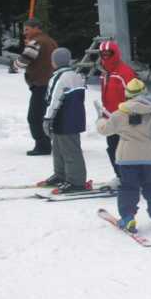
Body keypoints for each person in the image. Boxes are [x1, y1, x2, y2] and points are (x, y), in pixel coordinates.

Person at [96, 78, 151, 232]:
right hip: (149, 159)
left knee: (128, 188)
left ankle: (128, 217)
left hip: (127, 160)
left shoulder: (119, 114)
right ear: (145, 93)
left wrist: (100, 120)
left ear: (127, 95)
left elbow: (104, 130)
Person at [40, 48, 88, 193]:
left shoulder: (59, 77)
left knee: (69, 151)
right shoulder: (77, 75)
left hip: (62, 118)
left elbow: (54, 99)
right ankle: (61, 175)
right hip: (73, 118)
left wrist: (47, 119)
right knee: (59, 148)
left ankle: (76, 181)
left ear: (55, 61)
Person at [13, 19, 58, 156]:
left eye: (27, 29)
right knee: (51, 115)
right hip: (53, 83)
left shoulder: (36, 43)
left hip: (40, 84)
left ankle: (42, 145)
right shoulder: (51, 41)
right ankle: (59, 142)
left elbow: (20, 63)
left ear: (36, 28)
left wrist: (14, 64)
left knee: (34, 117)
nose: (24, 33)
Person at [98, 40, 137, 187]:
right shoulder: (105, 74)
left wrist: (134, 117)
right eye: (103, 54)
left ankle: (132, 178)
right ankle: (120, 176)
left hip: (125, 119)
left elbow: (135, 96)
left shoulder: (124, 72)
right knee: (112, 148)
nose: (106, 57)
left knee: (126, 151)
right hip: (110, 118)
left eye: (109, 54)